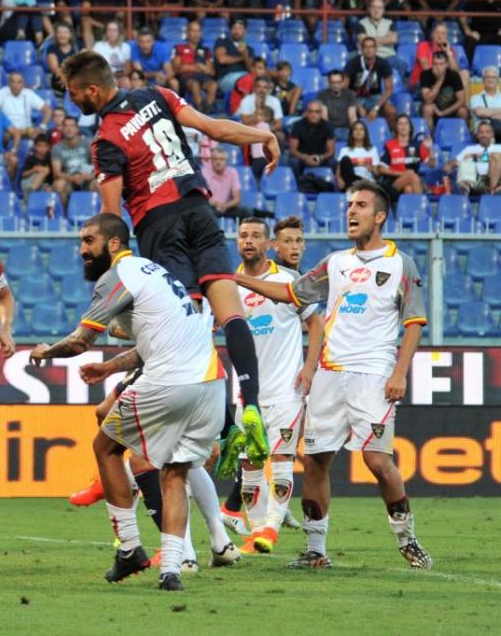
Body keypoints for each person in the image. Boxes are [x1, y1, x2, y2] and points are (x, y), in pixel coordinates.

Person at [61, 49, 280, 465]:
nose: (73, 101)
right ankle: (251, 404)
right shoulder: (155, 95)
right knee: (231, 314)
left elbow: (111, 219)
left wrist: (117, 282)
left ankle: (230, 425)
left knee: (192, 330)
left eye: (75, 94)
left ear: (92, 89)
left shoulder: (106, 138)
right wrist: (264, 136)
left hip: (159, 226)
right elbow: (215, 128)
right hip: (199, 209)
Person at [236, 180, 432, 571]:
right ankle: (315, 549)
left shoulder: (400, 263)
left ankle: (407, 538)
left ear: (379, 217)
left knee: (378, 461)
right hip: (329, 374)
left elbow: (414, 323)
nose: (351, 211)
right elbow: (292, 294)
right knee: (315, 461)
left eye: (361, 205)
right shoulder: (336, 262)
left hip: (373, 375)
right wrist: (234, 279)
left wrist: (399, 373)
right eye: (349, 205)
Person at [34, 214, 236, 591]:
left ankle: (129, 548)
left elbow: (80, 341)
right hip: (210, 384)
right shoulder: (156, 272)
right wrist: (110, 366)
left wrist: (46, 352)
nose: (82, 249)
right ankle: (173, 569)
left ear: (113, 244)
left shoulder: (119, 274)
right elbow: (155, 343)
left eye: (88, 240)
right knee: (175, 472)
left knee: (105, 445)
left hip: (170, 383)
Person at [229, 218, 319, 553]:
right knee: (249, 464)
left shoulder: (289, 280)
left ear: (268, 244)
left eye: (255, 236)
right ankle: (256, 534)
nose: (248, 240)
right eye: (243, 235)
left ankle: (271, 529)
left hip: (285, 390)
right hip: (248, 393)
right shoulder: (227, 288)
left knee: (281, 459)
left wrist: (309, 367)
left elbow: (315, 321)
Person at [203, 147, 268, 220]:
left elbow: (237, 199)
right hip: (210, 207)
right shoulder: (204, 173)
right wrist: (216, 204)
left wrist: (226, 205)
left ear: (226, 161)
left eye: (221, 159)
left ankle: (244, 230)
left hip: (226, 207)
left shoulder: (233, 172)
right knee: (203, 211)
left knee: (246, 211)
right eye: (215, 159)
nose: (218, 162)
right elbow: (202, 197)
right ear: (211, 160)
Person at [342, 36, 396, 123]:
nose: (369, 50)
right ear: (362, 49)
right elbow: (344, 89)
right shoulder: (352, 63)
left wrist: (376, 108)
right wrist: (357, 105)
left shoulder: (383, 63)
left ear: (375, 49)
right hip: (355, 97)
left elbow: (389, 90)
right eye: (366, 47)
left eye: (371, 47)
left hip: (375, 97)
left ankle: (392, 134)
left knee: (391, 111)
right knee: (348, 111)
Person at [287, 101, 336, 186]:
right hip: (302, 158)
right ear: (306, 113)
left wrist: (320, 157)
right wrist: (305, 157)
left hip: (320, 158)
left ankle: (330, 187)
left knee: (333, 162)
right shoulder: (297, 125)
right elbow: (292, 150)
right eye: (311, 111)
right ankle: (296, 186)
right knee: (293, 162)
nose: (313, 114)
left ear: (321, 113)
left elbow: (331, 151)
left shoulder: (328, 126)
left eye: (317, 112)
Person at [50, 116, 95, 206]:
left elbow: (98, 166)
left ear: (77, 128)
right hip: (68, 179)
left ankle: (102, 216)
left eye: (72, 126)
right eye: (66, 126)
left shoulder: (88, 143)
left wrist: (89, 176)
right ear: (62, 129)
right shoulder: (57, 148)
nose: (69, 129)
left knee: (100, 184)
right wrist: (72, 178)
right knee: (59, 185)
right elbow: (57, 173)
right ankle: (64, 217)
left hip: (86, 178)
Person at [419, 49, 467, 130]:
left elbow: (461, 100)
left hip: (450, 109)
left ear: (447, 64)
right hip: (433, 109)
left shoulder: (454, 75)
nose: (438, 67)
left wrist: (442, 113)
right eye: (435, 64)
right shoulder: (425, 75)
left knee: (463, 111)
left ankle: (461, 135)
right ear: (432, 64)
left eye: (441, 64)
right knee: (427, 108)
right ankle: (429, 137)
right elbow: (427, 100)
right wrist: (440, 80)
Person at [174, 20, 217, 111]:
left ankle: (208, 109)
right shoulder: (179, 48)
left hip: (203, 78)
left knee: (213, 85)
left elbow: (211, 72)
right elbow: (177, 69)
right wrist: (195, 67)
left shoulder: (205, 50)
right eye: (193, 31)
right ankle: (199, 109)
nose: (196, 34)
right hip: (187, 78)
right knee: (195, 84)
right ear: (187, 33)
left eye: (198, 31)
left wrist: (202, 67)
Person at [452, 120, 501, 196]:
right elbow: (447, 167)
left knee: (496, 156)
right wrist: (467, 159)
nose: (484, 135)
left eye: (487, 132)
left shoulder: (499, 148)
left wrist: (482, 156)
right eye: (481, 132)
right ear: (477, 135)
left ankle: (492, 189)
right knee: (466, 164)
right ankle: (467, 186)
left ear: (492, 134)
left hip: (497, 180)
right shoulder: (469, 149)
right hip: (476, 181)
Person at [336, 120, 381, 188]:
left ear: (365, 133)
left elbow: (377, 175)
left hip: (367, 182)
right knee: (345, 159)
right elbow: (338, 173)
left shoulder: (372, 150)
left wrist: (372, 169)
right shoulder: (344, 150)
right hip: (350, 184)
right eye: (356, 129)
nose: (358, 132)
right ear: (352, 133)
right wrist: (339, 179)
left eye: (361, 129)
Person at [19, 133, 54, 197]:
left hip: (44, 185)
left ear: (49, 147)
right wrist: (34, 170)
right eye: (39, 146)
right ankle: (31, 192)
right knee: (43, 172)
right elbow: (23, 175)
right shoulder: (31, 158)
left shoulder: (51, 158)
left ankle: (32, 191)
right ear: (35, 146)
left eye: (45, 146)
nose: (42, 148)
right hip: (29, 182)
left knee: (48, 187)